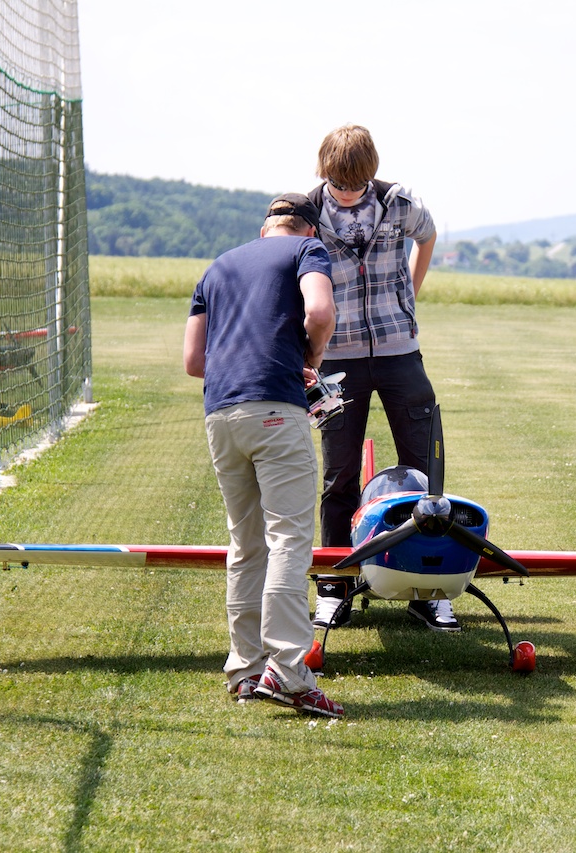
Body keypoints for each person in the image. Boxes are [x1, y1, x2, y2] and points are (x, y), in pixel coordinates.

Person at [184, 193, 343, 719]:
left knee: (245, 543)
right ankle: (290, 672)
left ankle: (245, 669)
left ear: (264, 229)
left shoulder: (217, 267)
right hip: (276, 408)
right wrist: (310, 354)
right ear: (309, 231)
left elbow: (193, 361)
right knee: (289, 539)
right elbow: (319, 310)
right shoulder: (307, 252)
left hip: (220, 414)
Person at [306, 124, 458, 633]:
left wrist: (410, 292)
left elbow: (427, 235)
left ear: (371, 174)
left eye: (356, 185)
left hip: (400, 353)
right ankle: (334, 587)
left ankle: (429, 591)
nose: (347, 193)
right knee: (339, 476)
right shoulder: (307, 210)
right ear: (324, 172)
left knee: (425, 471)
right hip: (336, 359)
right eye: (338, 184)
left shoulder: (400, 202)